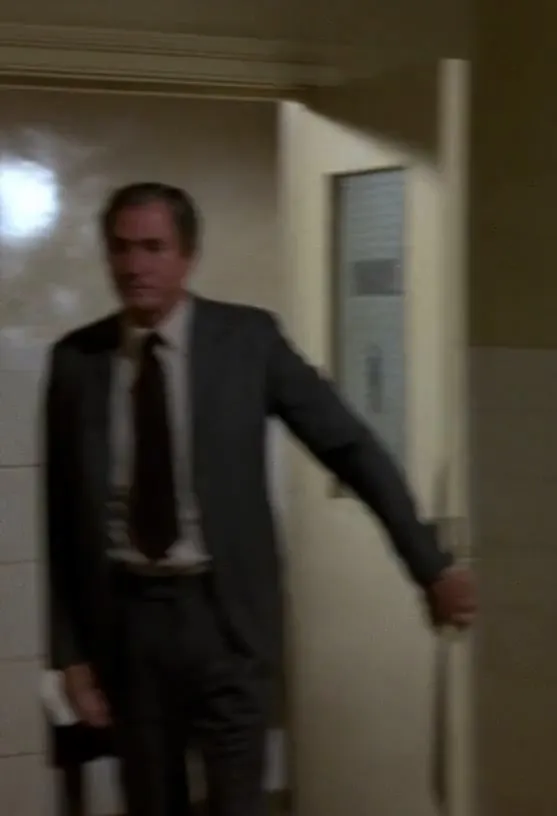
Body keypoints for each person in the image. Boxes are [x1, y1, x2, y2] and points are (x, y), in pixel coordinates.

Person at [41, 182, 479, 816]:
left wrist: (429, 564)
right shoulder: (77, 362)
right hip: (128, 625)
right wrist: (71, 655)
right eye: (122, 248)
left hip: (227, 619)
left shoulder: (246, 341)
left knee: (238, 801)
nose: (135, 266)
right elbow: (60, 519)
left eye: (154, 248)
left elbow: (348, 447)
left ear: (187, 256)